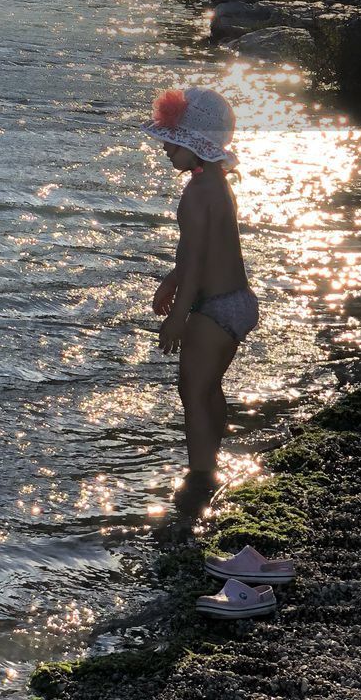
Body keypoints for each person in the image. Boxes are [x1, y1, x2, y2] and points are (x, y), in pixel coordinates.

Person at [143, 87, 257, 511]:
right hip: (237, 301)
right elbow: (205, 250)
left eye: (175, 141)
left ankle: (200, 478)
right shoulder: (216, 184)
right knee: (209, 389)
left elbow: (194, 262)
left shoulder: (194, 194)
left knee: (191, 391)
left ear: (197, 145)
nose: (167, 149)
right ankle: (211, 462)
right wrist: (171, 280)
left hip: (213, 306)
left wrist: (176, 316)